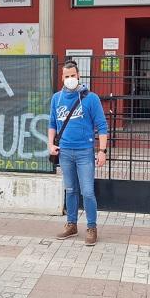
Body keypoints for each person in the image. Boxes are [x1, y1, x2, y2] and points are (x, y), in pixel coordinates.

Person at [49, 60, 108, 246]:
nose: (70, 79)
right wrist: (50, 144)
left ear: (78, 75)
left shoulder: (91, 98)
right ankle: (71, 225)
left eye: (72, 76)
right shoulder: (56, 99)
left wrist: (102, 151)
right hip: (65, 152)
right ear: (62, 78)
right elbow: (52, 124)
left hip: (84, 152)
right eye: (66, 76)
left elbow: (102, 126)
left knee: (88, 192)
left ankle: (91, 227)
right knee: (71, 189)